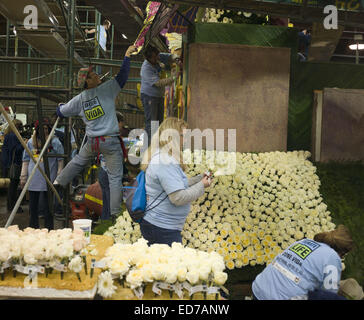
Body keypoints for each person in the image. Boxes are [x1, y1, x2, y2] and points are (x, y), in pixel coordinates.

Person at [55, 45, 137, 219]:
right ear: (87, 82)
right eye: (92, 75)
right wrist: (127, 56)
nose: (97, 75)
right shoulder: (106, 89)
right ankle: (114, 214)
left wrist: (61, 107)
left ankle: (59, 182)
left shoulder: (79, 99)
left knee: (78, 161)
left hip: (93, 141)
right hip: (110, 141)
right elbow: (122, 77)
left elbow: (61, 112)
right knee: (115, 178)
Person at [139, 117, 211, 246]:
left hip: (161, 226)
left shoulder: (163, 156)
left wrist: (198, 179)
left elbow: (175, 184)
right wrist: (202, 185)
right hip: (162, 228)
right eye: (183, 136)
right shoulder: (165, 161)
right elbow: (178, 197)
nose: (186, 140)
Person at [252, 225, 354, 300]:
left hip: (259, 287)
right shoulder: (332, 257)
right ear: (342, 252)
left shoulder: (304, 242)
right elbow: (328, 294)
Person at [20, 119, 64, 230]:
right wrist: (23, 176)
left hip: (48, 177)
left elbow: (60, 159)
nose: (43, 130)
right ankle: (33, 227)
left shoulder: (54, 142)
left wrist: (59, 174)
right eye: (41, 128)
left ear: (49, 129)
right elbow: (26, 159)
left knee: (48, 206)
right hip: (34, 176)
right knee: (33, 205)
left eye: (45, 128)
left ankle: (49, 228)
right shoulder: (31, 142)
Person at [140, 45, 181, 145]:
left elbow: (170, 56)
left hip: (159, 96)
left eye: (157, 56)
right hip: (149, 97)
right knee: (152, 123)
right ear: (148, 58)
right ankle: (150, 147)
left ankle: (157, 144)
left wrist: (177, 59)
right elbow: (158, 83)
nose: (157, 58)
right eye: (154, 58)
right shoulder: (146, 69)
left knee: (159, 122)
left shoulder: (159, 56)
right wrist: (174, 78)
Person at [98, 111, 128, 221]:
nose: (122, 127)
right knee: (112, 203)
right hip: (108, 173)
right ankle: (109, 226)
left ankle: (105, 225)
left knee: (107, 203)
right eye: (121, 123)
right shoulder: (111, 136)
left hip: (104, 172)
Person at [1, 119, 24, 212]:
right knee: (13, 186)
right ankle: (13, 207)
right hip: (14, 163)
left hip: (9, 163)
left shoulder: (8, 135)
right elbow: (16, 149)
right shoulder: (13, 136)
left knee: (12, 185)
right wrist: (23, 144)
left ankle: (11, 206)